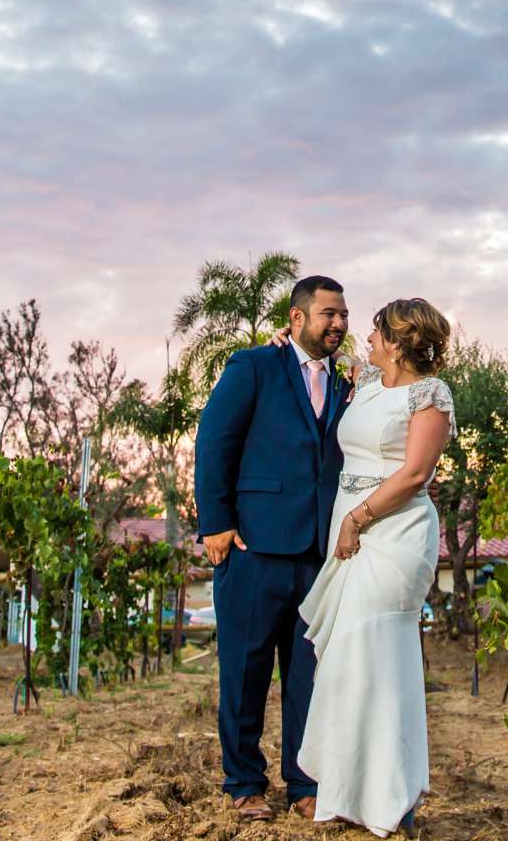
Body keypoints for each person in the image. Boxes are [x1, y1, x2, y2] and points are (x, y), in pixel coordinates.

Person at [193, 275, 353, 822]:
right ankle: (243, 782)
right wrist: (215, 522)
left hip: (320, 551)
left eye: (343, 315)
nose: (337, 324)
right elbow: (215, 439)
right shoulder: (253, 366)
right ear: (297, 317)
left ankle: (305, 783)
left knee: (311, 674)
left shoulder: (347, 384)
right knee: (246, 669)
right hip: (252, 546)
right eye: (328, 314)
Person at [294, 297, 453, 837]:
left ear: (399, 340)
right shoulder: (364, 383)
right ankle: (346, 792)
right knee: (345, 661)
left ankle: (394, 800)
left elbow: (414, 475)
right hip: (351, 526)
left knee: (379, 658)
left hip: (393, 534)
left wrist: (356, 520)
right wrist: (281, 342)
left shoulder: (430, 395)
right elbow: (311, 354)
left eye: (376, 331)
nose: (366, 337)